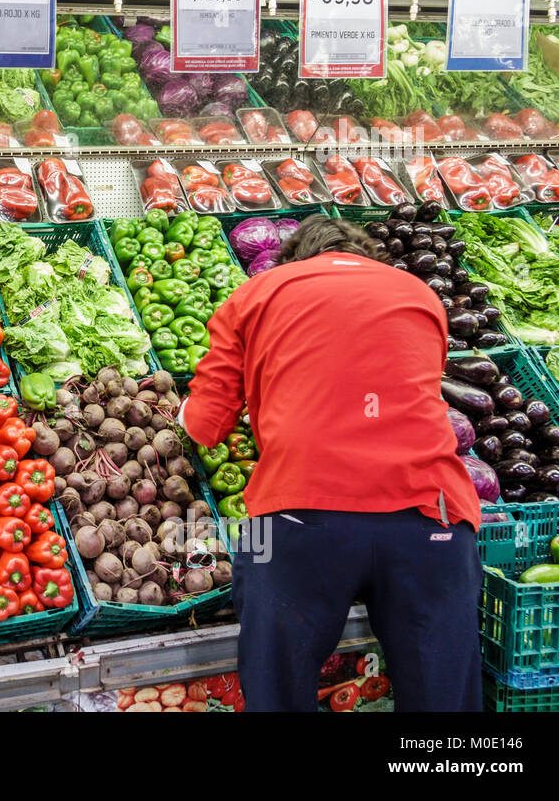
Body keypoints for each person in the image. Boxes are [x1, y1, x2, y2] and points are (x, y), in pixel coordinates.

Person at [181, 215, 482, 712]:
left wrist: (181, 412)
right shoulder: (419, 294)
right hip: (432, 519)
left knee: (277, 690)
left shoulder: (257, 293)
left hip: (294, 518)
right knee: (443, 701)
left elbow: (206, 425)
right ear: (371, 258)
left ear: (292, 260)